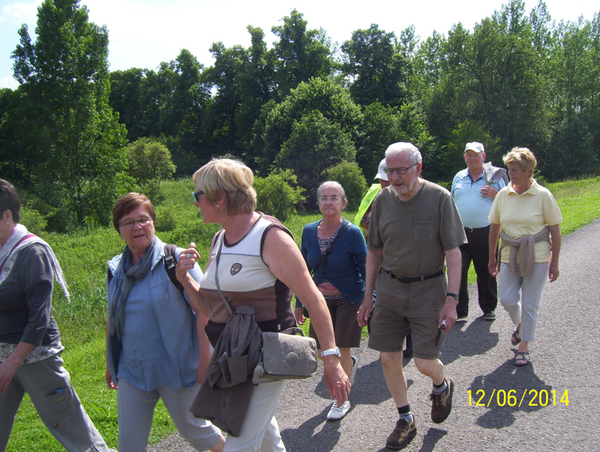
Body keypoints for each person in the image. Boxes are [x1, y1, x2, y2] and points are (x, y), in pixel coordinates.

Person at [176, 157, 350, 451]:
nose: (195, 203)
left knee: (239, 444)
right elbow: (211, 309)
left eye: (198, 195)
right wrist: (185, 280)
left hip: (265, 357)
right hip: (232, 356)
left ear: (219, 199)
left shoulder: (270, 237)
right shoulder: (219, 239)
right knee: (267, 438)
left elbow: (312, 297)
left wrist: (332, 360)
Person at [357, 143, 466, 450]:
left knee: (423, 362)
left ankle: (441, 385)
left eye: (401, 170)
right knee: (388, 357)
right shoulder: (381, 201)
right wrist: (368, 297)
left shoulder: (439, 198)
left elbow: (453, 253)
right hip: (389, 288)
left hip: (428, 289)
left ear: (418, 168)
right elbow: (374, 251)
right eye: (390, 170)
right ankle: (406, 418)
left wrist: (452, 299)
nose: (395, 177)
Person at [106, 193, 225, 452]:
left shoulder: (177, 261)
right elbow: (113, 317)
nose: (137, 227)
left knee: (194, 430)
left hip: (178, 369)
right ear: (119, 229)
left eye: (143, 219)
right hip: (132, 371)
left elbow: (204, 310)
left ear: (153, 223)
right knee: (129, 445)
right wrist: (110, 362)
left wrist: (205, 361)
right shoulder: (116, 269)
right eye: (128, 222)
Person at [0, 179, 111, 452]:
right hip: (3, 355)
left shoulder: (31, 252)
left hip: (36, 356)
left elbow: (39, 317)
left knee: (70, 426)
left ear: (6, 216)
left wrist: (14, 361)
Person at [295, 181, 367, 421]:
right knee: (320, 350)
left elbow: (366, 269)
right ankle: (347, 364)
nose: (328, 202)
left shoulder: (353, 233)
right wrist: (299, 302)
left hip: (349, 299)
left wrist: (370, 300)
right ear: (318, 203)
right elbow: (303, 270)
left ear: (343, 203)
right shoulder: (307, 231)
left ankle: (341, 400)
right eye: (324, 197)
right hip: (320, 302)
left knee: (339, 348)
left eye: (334, 197)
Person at [488, 148, 562, 366]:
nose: (511, 174)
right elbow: (495, 226)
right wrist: (492, 257)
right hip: (510, 254)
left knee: (531, 303)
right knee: (507, 299)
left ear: (529, 171)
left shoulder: (543, 195)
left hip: (537, 256)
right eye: (509, 169)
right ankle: (521, 325)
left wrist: (554, 263)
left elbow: (555, 231)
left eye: (515, 170)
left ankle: (524, 346)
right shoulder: (503, 194)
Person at [354, 159, 414, 358]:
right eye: (382, 180)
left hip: (405, 261)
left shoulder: (411, 197)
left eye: (388, 180)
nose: (386, 184)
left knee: (409, 301)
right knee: (379, 300)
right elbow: (361, 220)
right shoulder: (375, 195)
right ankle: (385, 344)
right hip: (378, 257)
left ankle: (412, 344)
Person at [451, 142, 508, 322]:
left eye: (476, 155)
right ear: (464, 157)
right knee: (457, 271)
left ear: (483, 157)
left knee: (486, 270)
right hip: (460, 233)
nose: (473, 158)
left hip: (486, 232)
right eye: (469, 155)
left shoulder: (495, 177)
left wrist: (495, 193)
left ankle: (488, 308)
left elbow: (510, 199)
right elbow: (451, 201)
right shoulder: (459, 177)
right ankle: (460, 310)